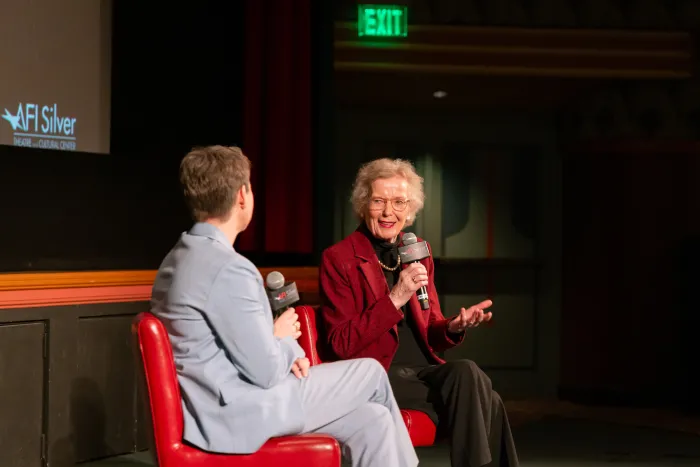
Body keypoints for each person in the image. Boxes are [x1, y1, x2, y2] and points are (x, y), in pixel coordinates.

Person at [150, 146, 418, 467]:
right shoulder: (230, 268)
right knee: (371, 372)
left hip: (213, 406)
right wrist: (284, 342)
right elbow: (264, 371)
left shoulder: (177, 257)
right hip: (237, 414)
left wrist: (278, 346)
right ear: (242, 196)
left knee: (372, 420)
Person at [318, 158, 520, 467]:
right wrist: (396, 296)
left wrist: (453, 326)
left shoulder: (417, 251)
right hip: (374, 374)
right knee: (487, 399)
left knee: (466, 372)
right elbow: (341, 343)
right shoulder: (339, 258)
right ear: (362, 204)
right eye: (378, 201)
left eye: (399, 202)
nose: (389, 212)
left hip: (422, 372)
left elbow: (431, 329)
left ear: (410, 209)